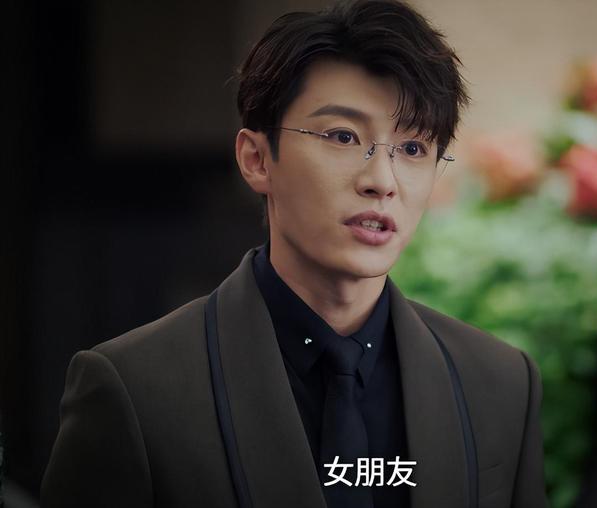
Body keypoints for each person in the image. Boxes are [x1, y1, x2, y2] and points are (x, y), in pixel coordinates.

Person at [41, 1, 546, 507]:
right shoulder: (135, 390)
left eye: (413, 149)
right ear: (257, 159)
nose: (381, 180)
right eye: (343, 136)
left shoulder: (500, 384)